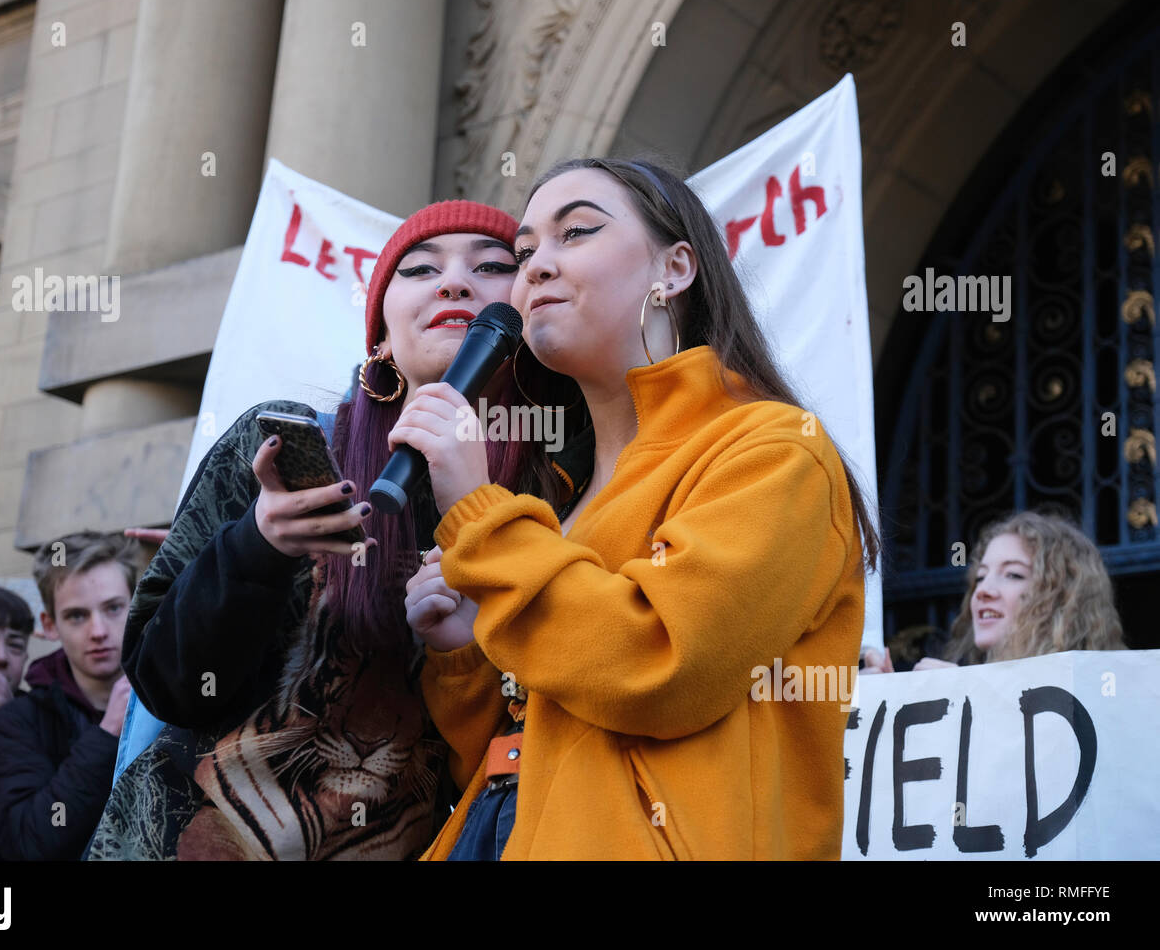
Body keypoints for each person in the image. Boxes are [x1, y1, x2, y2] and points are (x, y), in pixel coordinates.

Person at [394, 158, 880, 860]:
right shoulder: (558, 496)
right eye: (525, 252)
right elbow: (516, 756)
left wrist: (478, 516)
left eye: (577, 232)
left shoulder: (773, 450)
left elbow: (664, 666)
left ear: (676, 268)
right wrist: (464, 651)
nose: (534, 268)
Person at [86, 200, 589, 860]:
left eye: (493, 266)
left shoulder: (563, 491)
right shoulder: (284, 447)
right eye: (419, 269)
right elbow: (167, 683)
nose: (454, 282)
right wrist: (255, 548)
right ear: (379, 335)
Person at [0, 531, 138, 859]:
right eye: (77, 616)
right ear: (50, 624)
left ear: (135, 607)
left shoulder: (174, 700)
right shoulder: (21, 720)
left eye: (113, 608)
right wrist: (107, 734)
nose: (98, 631)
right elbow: (27, 845)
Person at [864, 510, 1125, 673]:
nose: (983, 591)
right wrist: (891, 700)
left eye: (1013, 574)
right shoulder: (956, 678)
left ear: (1064, 597)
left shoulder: (1109, 693)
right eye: (980, 576)